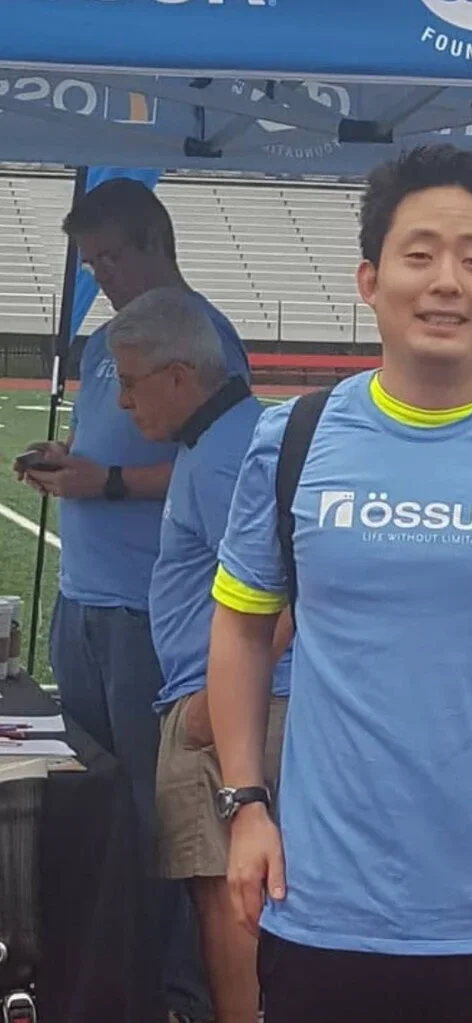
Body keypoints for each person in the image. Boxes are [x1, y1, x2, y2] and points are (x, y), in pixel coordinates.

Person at [206, 144, 472, 1023]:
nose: (446, 281)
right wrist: (246, 803)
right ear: (369, 280)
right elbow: (243, 628)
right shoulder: (291, 439)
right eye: (419, 254)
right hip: (327, 904)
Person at [15, 178, 250, 1023]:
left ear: (156, 240)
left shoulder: (199, 333)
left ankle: (178, 990)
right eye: (92, 261)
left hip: (149, 613)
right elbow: (110, 438)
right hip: (84, 598)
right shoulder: (105, 340)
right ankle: (112, 969)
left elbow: (199, 452)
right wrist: (68, 458)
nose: (104, 274)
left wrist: (104, 480)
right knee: (100, 808)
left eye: (113, 255)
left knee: (163, 821)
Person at [107, 287, 291, 1023]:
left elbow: (280, 594)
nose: (122, 403)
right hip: (240, 702)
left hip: (232, 709)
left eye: (129, 382)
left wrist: (211, 713)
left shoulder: (224, 455)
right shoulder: (230, 438)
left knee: (228, 900)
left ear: (180, 377)